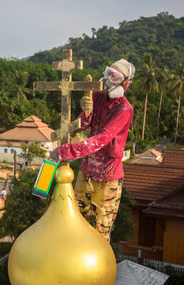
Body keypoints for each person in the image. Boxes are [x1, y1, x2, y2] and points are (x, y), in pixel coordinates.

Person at [49, 59, 135, 241]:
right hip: (86, 171)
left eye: (115, 77)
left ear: (125, 84)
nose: (109, 79)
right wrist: (86, 113)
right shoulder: (97, 96)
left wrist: (64, 152)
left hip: (107, 177)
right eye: (109, 73)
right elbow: (83, 125)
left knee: (100, 231)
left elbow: (101, 139)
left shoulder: (124, 109)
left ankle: (97, 268)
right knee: (75, 222)